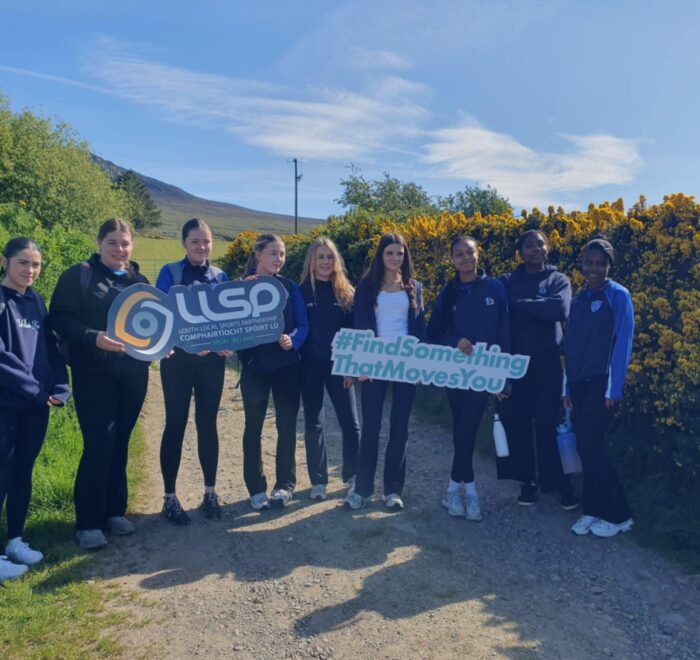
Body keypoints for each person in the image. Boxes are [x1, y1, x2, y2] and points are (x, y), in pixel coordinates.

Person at [50, 219, 149, 551]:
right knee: (99, 443)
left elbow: (156, 323)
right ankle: (88, 522)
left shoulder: (140, 281)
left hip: (134, 376)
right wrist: (93, 338)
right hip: (94, 376)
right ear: (99, 243)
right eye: (112, 243)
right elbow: (59, 318)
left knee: (120, 441)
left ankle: (114, 511)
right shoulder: (80, 276)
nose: (119, 250)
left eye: (124, 243)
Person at [0, 238, 69, 582]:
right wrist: (34, 390)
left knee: (22, 472)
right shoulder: (1, 301)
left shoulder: (36, 301)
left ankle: (14, 539)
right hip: (7, 404)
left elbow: (49, 349)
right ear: (5, 262)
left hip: (36, 404)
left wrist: (59, 387)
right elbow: (3, 358)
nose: (30, 270)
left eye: (36, 265)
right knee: (2, 472)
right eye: (23, 263)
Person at [427, 236, 509, 522]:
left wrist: (500, 376)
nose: (465, 258)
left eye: (469, 252)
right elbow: (434, 332)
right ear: (452, 259)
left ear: (478, 254)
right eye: (459, 254)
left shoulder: (496, 288)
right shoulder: (448, 293)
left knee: (468, 429)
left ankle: (459, 489)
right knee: (462, 429)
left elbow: (503, 333)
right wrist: (454, 341)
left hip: (483, 373)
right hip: (454, 372)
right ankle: (465, 491)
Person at [155, 219, 231, 525]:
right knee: (175, 424)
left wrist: (228, 343)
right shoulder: (170, 273)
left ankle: (210, 493)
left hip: (211, 363)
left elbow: (229, 318)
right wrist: (181, 343)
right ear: (184, 243)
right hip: (178, 362)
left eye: (207, 242)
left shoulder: (220, 275)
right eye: (196, 242)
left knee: (207, 424)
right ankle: (170, 498)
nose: (202, 247)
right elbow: (161, 315)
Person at [496, 230, 578, 510]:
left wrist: (518, 305)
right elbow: (499, 312)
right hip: (515, 363)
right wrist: (537, 308)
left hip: (547, 363)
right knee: (518, 423)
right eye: (529, 245)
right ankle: (527, 482)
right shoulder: (507, 281)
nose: (535, 249)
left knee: (549, 423)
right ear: (521, 252)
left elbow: (559, 310)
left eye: (540, 244)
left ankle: (559, 483)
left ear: (549, 247)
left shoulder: (559, 280)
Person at [345, 232, 426, 512]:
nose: (395, 258)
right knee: (371, 426)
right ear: (381, 256)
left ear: (405, 257)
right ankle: (362, 490)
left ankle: (393, 490)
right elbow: (358, 325)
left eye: (400, 254)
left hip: (406, 362)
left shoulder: (414, 287)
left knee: (400, 428)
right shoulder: (367, 287)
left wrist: (420, 363)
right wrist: (359, 365)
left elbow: (419, 328)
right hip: (375, 362)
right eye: (390, 253)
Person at [564, 238, 634, 538]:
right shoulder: (579, 299)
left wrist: (613, 389)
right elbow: (571, 346)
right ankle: (592, 510)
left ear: (609, 265)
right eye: (589, 263)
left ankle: (620, 515)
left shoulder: (617, 295)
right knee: (585, 448)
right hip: (578, 384)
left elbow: (623, 343)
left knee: (594, 450)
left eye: (600, 263)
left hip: (600, 384)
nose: (594, 269)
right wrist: (566, 386)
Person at [237, 234, 309, 510]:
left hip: (287, 368)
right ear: (258, 255)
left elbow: (303, 324)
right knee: (252, 428)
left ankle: (284, 486)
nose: (278, 259)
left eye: (282, 254)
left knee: (287, 426)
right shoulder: (240, 287)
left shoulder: (290, 286)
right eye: (273, 254)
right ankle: (256, 489)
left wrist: (293, 340)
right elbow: (230, 326)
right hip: (255, 367)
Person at [299, 238, 360, 501]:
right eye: (320, 257)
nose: (325, 262)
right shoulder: (299, 291)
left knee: (351, 423)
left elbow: (355, 333)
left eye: (330, 257)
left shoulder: (346, 292)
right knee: (314, 424)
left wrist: (350, 367)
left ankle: (354, 476)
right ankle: (319, 481)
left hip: (340, 367)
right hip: (309, 366)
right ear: (311, 260)